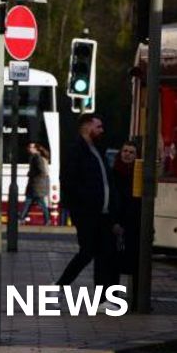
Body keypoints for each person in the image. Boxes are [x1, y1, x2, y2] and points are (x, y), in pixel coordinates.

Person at [56, 114, 123, 299]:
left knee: (103, 255)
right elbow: (69, 181)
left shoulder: (97, 149)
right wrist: (83, 204)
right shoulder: (76, 150)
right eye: (98, 126)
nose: (102, 130)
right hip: (87, 213)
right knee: (88, 252)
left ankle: (102, 299)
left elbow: (105, 180)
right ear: (87, 127)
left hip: (103, 214)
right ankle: (60, 286)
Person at [112, 141, 138, 275]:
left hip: (132, 222)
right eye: (125, 151)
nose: (127, 154)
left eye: (131, 152)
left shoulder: (138, 176)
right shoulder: (114, 173)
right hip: (117, 221)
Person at [20, 142, 51, 225]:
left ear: (36, 149)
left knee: (38, 203)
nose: (29, 148)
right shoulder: (37, 157)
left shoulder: (37, 157)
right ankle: (22, 218)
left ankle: (47, 220)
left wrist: (31, 174)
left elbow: (41, 171)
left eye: (31, 147)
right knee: (29, 202)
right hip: (36, 185)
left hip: (37, 185)